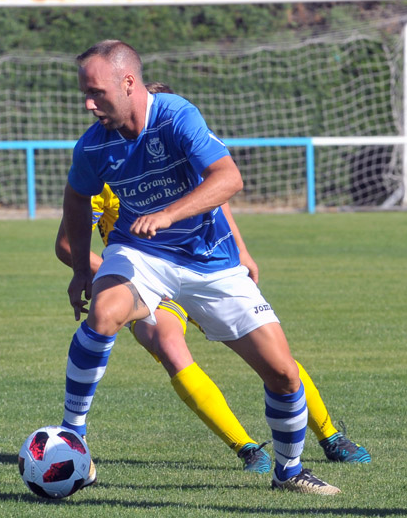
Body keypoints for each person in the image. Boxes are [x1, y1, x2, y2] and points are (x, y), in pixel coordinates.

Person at [59, 40, 340, 494]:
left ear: (128, 83)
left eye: (96, 93)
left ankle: (288, 471)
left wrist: (169, 214)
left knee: (284, 374)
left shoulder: (175, 115)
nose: (89, 104)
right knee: (105, 313)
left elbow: (229, 178)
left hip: (211, 262)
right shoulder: (93, 146)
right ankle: (73, 434)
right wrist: (79, 271)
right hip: (141, 255)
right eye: (84, 94)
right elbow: (76, 198)